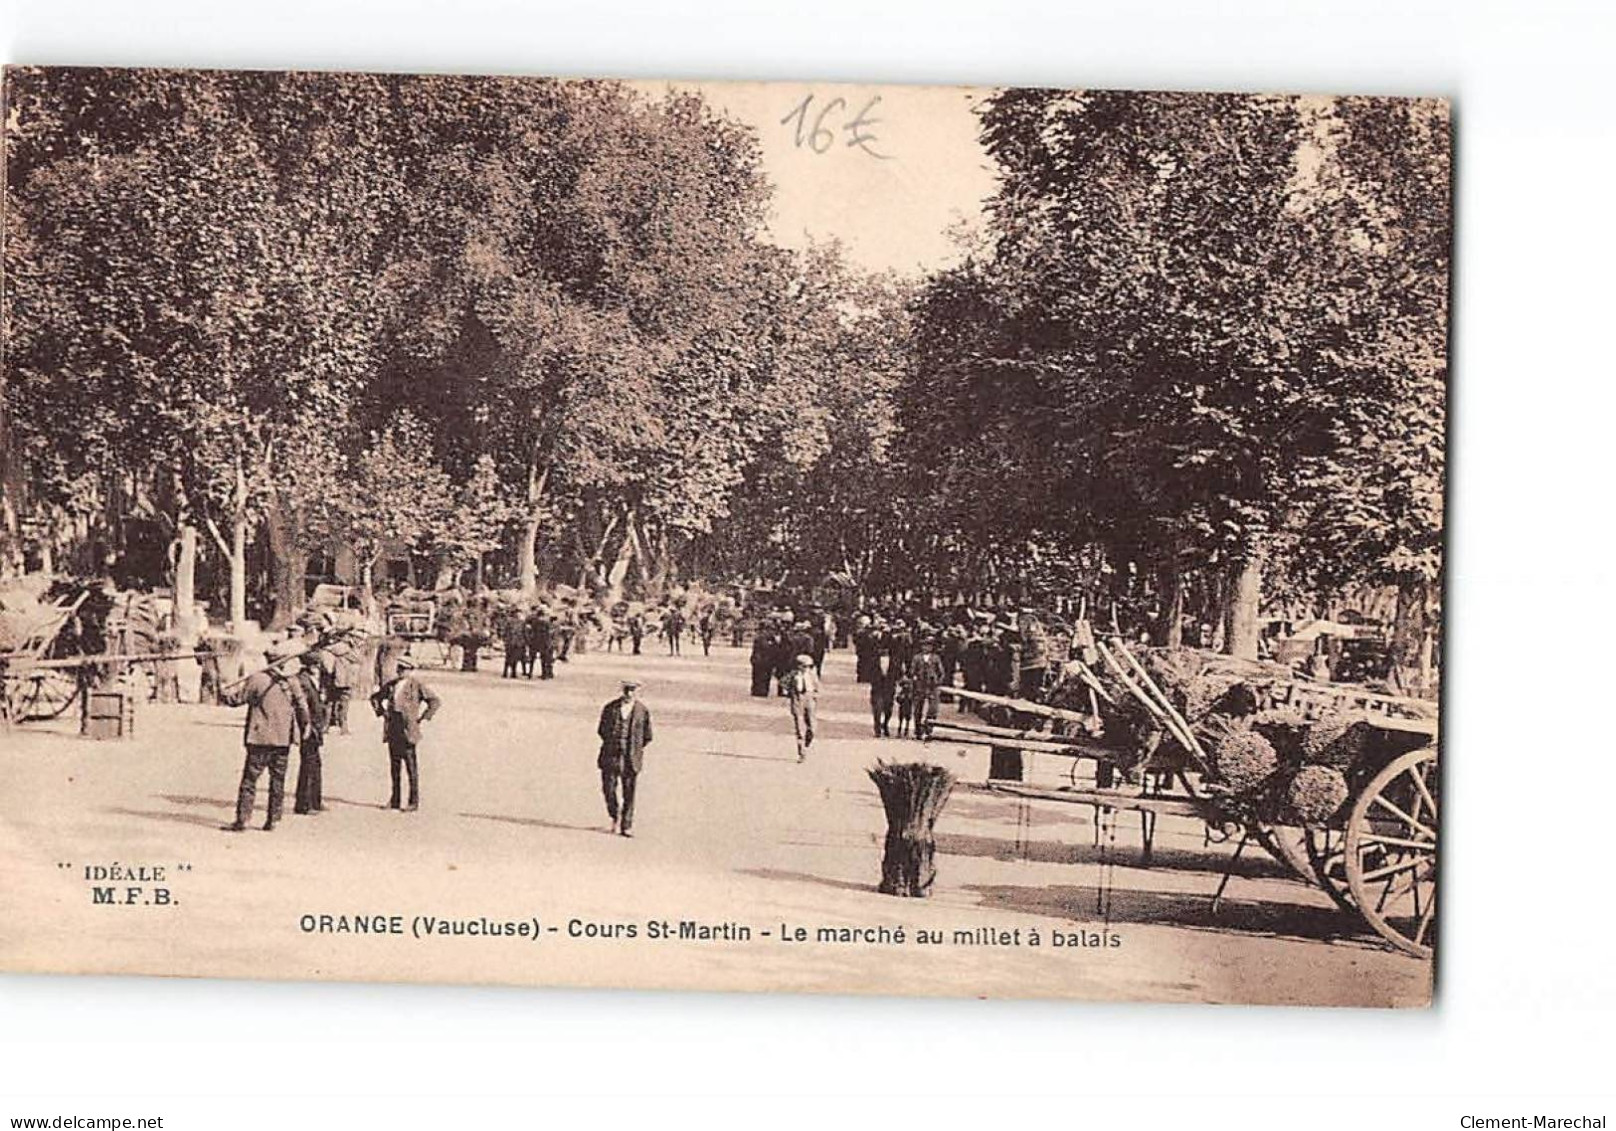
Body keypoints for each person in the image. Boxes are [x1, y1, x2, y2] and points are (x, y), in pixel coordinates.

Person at [221, 639, 312, 833]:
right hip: (282, 740)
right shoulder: (292, 682)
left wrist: (224, 693)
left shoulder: (257, 680)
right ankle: (273, 820)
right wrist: (305, 727)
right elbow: (303, 708)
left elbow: (237, 700)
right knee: (277, 781)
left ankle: (243, 820)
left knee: (250, 781)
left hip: (259, 738)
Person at [370, 654, 441, 811]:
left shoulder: (416, 685)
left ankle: (413, 801)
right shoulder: (391, 685)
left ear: (410, 670)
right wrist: (381, 712)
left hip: (408, 729)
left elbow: (435, 701)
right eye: (399, 668)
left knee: (411, 767)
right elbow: (375, 698)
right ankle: (394, 800)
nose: (401, 672)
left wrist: (424, 718)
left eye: (404, 669)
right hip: (393, 728)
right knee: (394, 767)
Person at [596, 679, 653, 836]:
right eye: (626, 690)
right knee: (608, 789)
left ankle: (626, 825)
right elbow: (601, 730)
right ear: (622, 691)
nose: (629, 693)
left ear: (637, 692)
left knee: (629, 792)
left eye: (632, 690)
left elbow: (647, 736)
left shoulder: (642, 711)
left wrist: (634, 748)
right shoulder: (610, 708)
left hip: (630, 757)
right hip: (611, 755)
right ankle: (615, 814)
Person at [293, 649, 328, 814]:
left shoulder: (311, 680)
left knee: (315, 764)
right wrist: (308, 726)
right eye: (316, 664)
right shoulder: (303, 681)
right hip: (308, 728)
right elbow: (304, 708)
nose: (318, 668)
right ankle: (304, 804)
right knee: (308, 765)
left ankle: (315, 801)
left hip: (315, 728)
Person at [783, 654, 819, 762]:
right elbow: (783, 684)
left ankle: (808, 740)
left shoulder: (812, 675)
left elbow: (817, 686)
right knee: (799, 728)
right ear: (799, 666)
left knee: (812, 727)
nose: (807, 668)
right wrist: (789, 692)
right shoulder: (793, 675)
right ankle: (801, 752)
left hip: (809, 699)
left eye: (809, 666)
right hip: (798, 700)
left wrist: (815, 696)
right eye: (805, 666)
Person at [909, 638, 946, 740]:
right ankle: (918, 730)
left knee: (933, 709)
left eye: (929, 646)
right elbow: (912, 671)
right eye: (924, 645)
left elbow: (941, 672)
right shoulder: (917, 658)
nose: (926, 648)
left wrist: (938, 682)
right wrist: (914, 678)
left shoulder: (936, 658)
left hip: (932, 686)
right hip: (919, 686)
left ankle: (929, 729)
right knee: (917, 709)